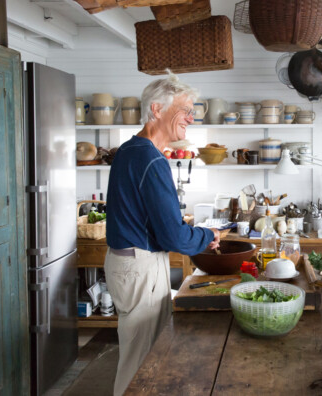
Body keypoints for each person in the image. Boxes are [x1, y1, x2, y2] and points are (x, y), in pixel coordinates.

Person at [104, 71, 220, 396]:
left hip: (128, 262)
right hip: (140, 266)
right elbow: (173, 237)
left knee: (138, 353)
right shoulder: (151, 160)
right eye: (186, 110)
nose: (191, 119)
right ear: (157, 110)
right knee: (140, 362)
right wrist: (206, 236)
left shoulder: (131, 149)